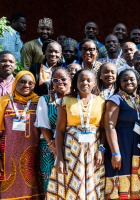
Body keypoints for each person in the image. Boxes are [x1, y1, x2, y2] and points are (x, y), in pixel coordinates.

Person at [46, 69, 106, 199]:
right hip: (71, 152)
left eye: (88, 80)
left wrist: (101, 149)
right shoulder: (65, 101)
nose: (85, 82)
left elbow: (103, 129)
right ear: (75, 82)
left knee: (92, 187)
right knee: (72, 187)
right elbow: (60, 130)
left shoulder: (102, 101)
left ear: (94, 82)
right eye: (81, 80)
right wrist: (60, 158)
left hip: (93, 152)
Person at [0, 71, 42, 199]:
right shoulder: (4, 102)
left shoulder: (39, 102)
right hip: (9, 155)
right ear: (15, 82)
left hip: (34, 155)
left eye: (31, 83)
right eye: (22, 82)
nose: (26, 85)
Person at [103, 68, 140, 199]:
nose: (128, 82)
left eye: (131, 79)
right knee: (120, 191)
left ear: (138, 81)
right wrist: (115, 152)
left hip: (137, 148)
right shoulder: (116, 99)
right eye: (124, 80)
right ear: (119, 82)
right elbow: (109, 126)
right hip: (121, 146)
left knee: (136, 189)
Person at [34, 67, 70, 193]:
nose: (60, 82)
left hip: (71, 144)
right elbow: (43, 125)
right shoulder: (44, 99)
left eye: (63, 79)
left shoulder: (74, 99)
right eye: (55, 80)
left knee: (70, 183)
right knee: (51, 184)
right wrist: (52, 145)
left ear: (70, 80)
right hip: (49, 147)